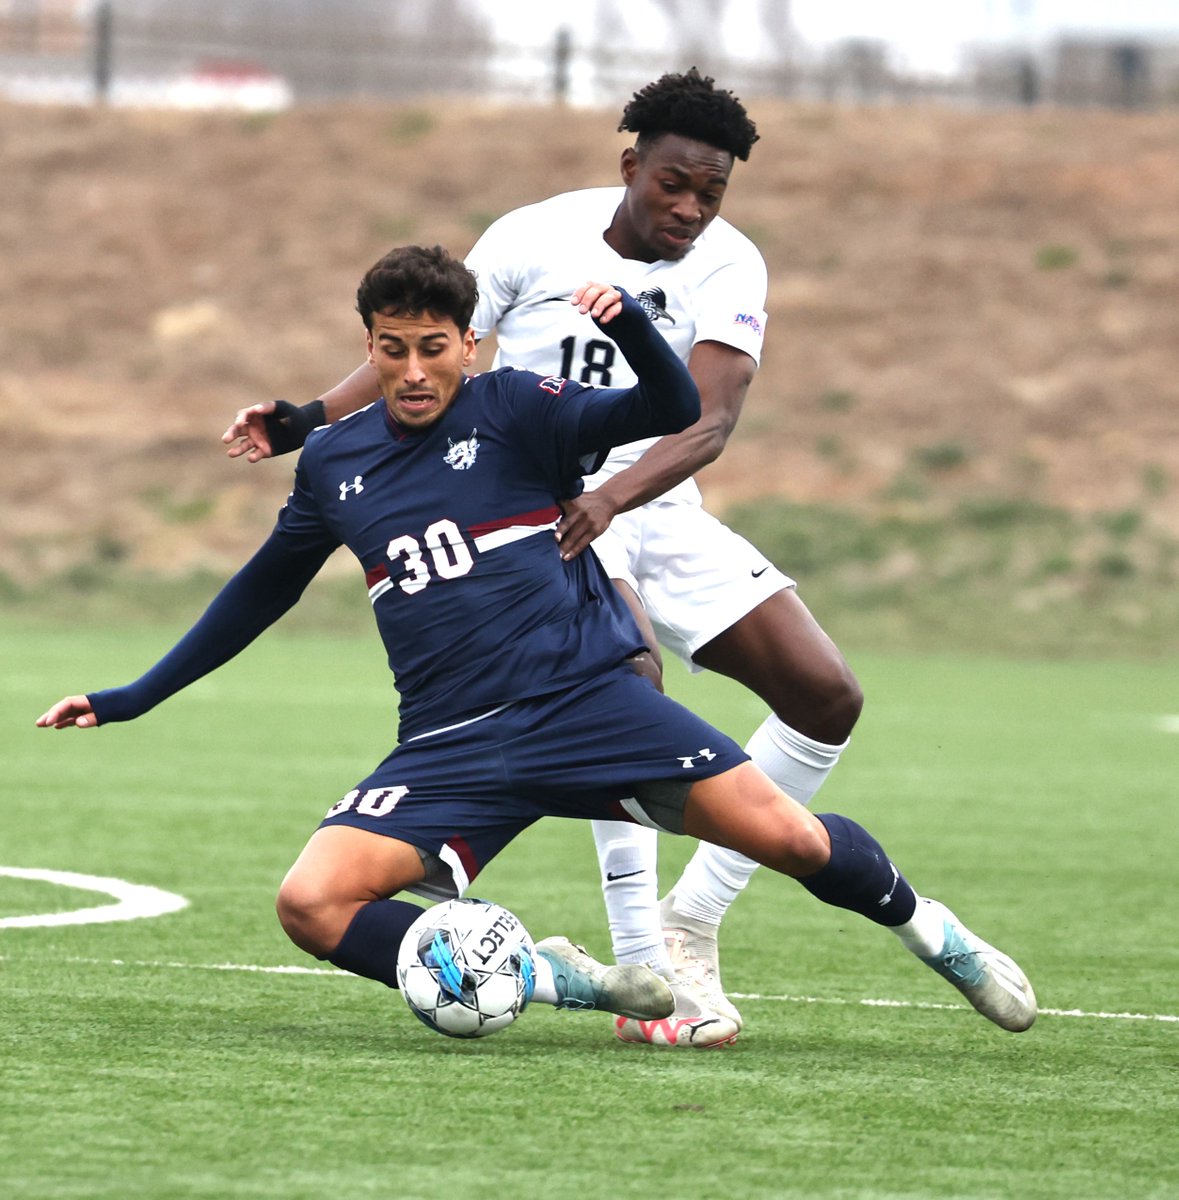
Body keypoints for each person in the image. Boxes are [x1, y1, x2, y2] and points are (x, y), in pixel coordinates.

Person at [41, 245, 1036, 1040]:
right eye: (392, 348)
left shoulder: (520, 410)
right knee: (312, 904)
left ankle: (936, 934)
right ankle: (543, 973)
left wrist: (637, 331)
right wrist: (136, 694)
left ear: (470, 342)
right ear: (368, 346)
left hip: (588, 706)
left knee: (792, 840)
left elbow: (671, 410)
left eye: (434, 346)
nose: (415, 370)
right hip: (450, 741)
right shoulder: (334, 460)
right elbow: (259, 591)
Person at [221, 73, 846, 1048]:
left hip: (650, 496)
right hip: (539, 498)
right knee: (629, 674)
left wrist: (613, 499)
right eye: (674, 182)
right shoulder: (531, 235)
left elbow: (710, 418)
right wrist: (306, 421)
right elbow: (432, 348)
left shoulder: (732, 264)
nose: (690, 206)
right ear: (630, 164)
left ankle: (692, 917)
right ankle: (652, 967)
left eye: (710, 192)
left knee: (825, 694)